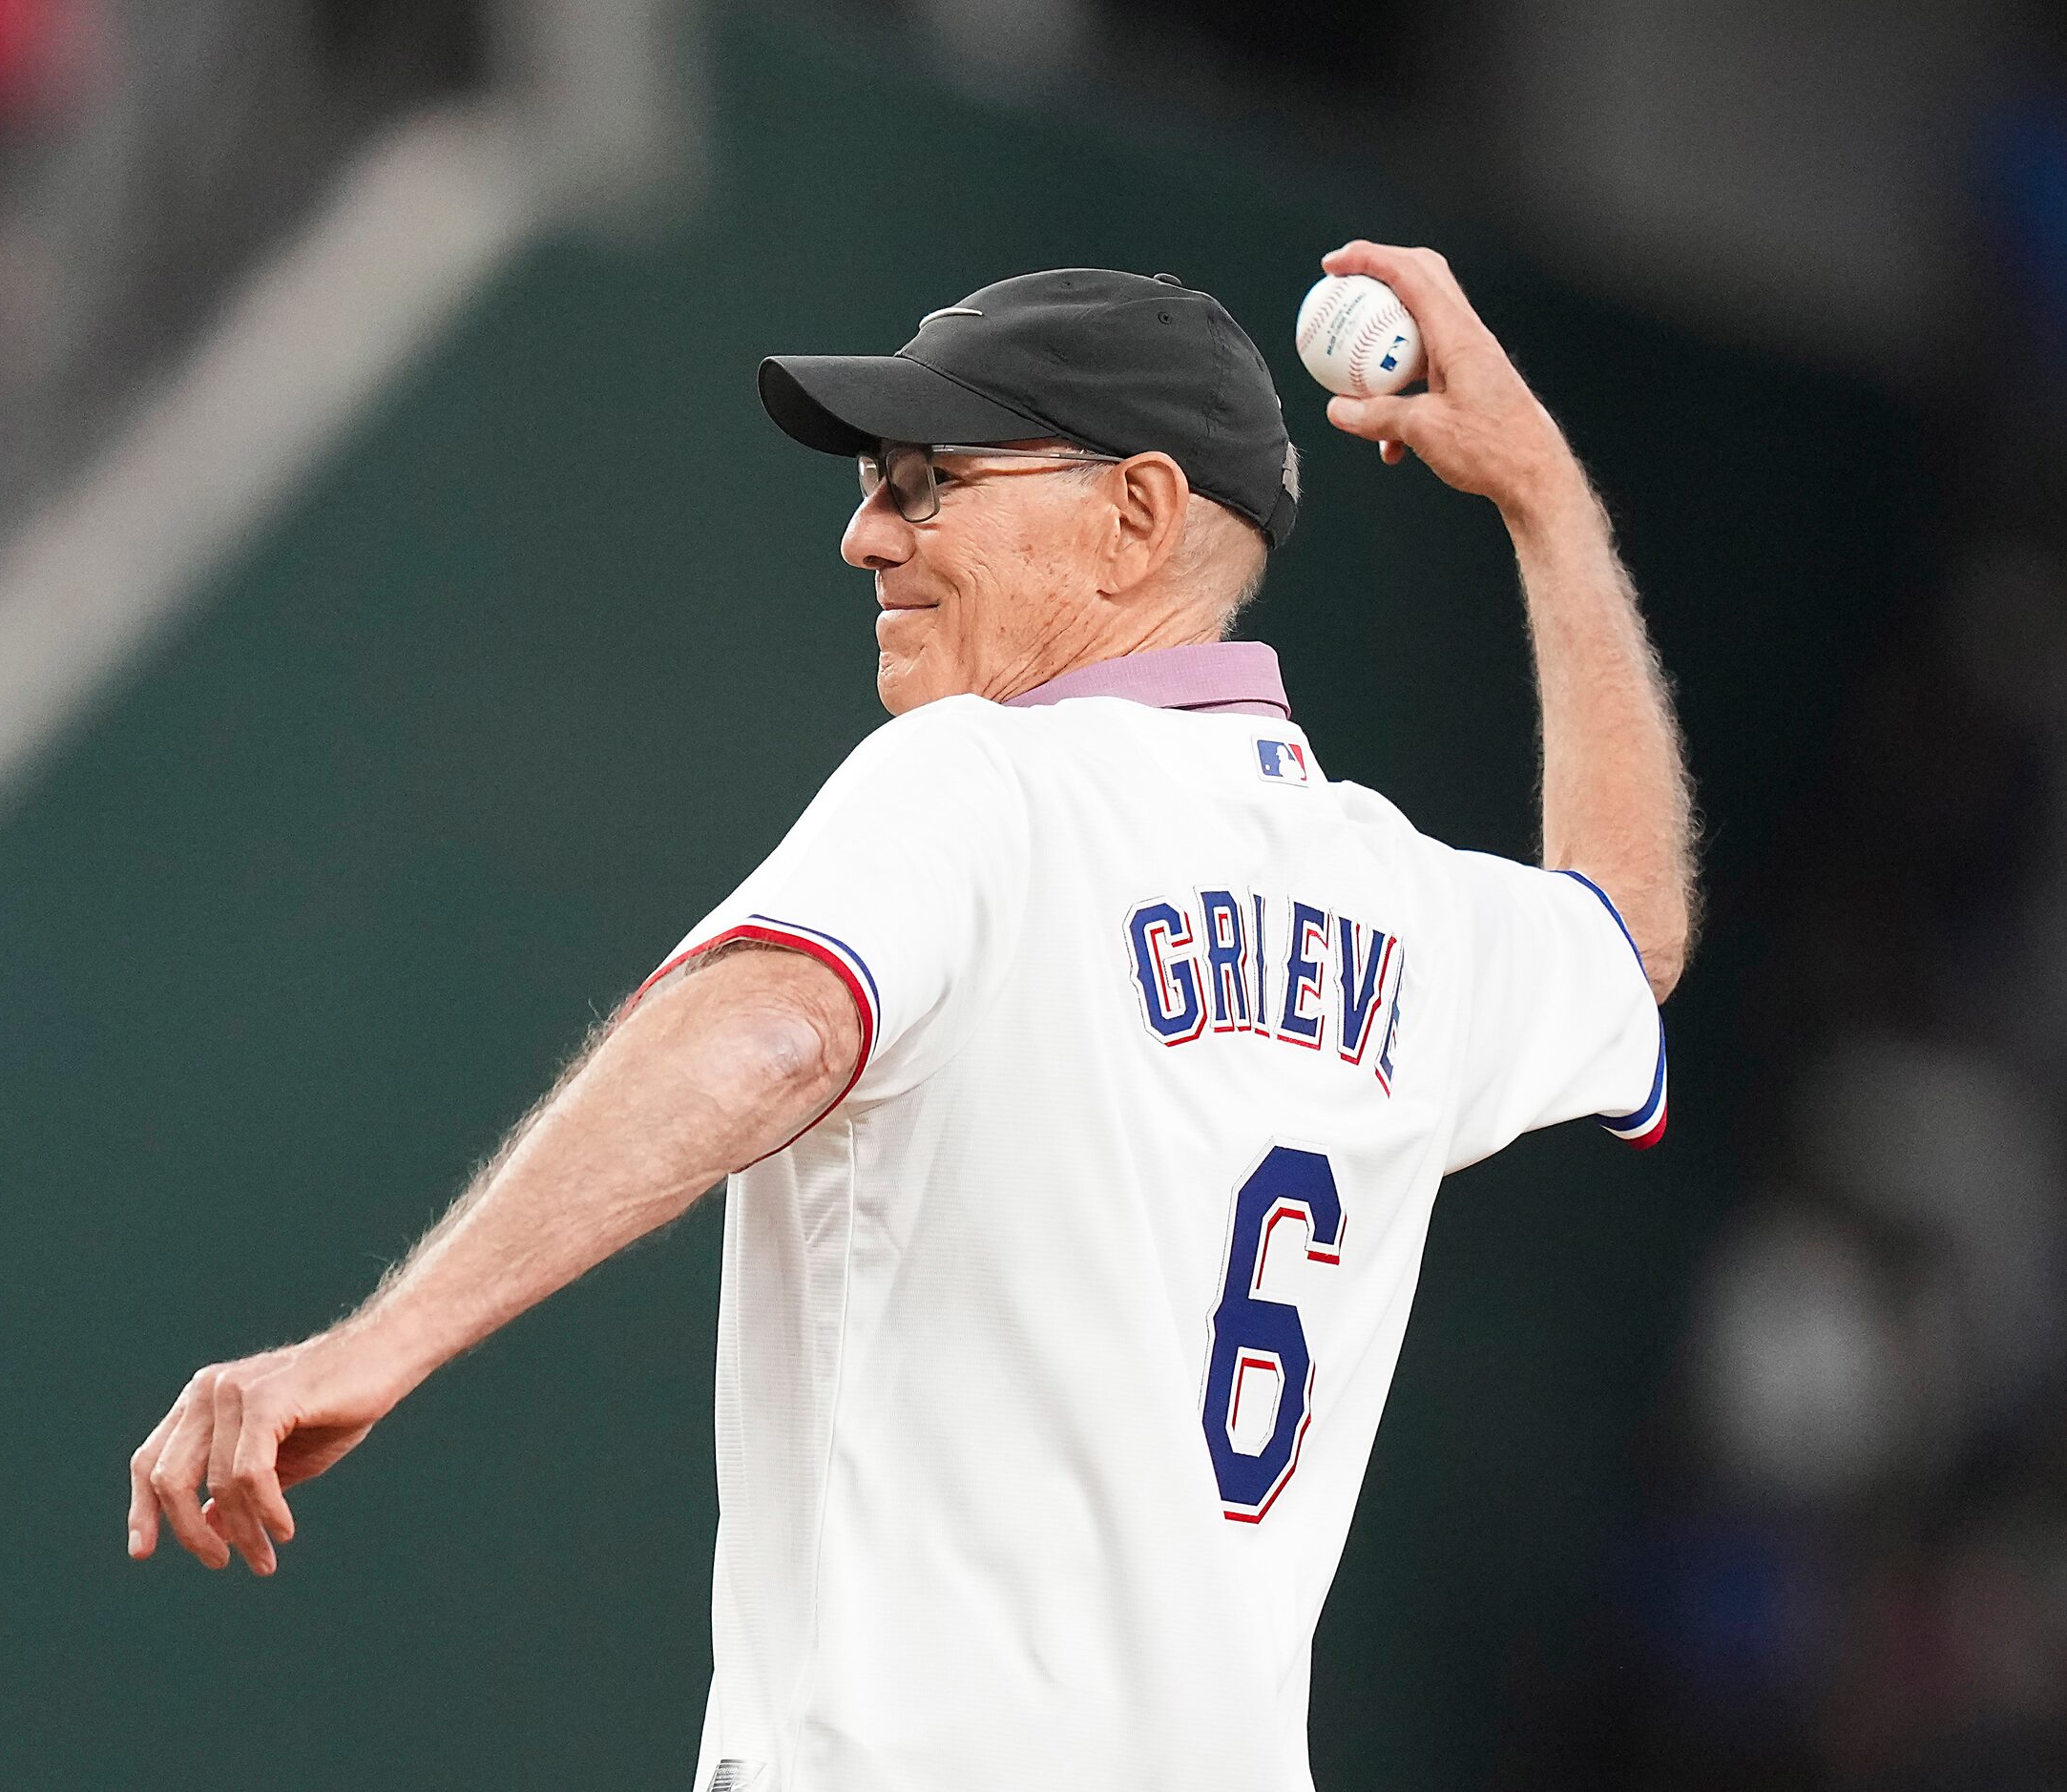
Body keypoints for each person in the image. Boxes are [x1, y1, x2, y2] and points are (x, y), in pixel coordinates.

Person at [126, 246, 1695, 1792]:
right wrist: (1544, 498)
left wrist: (379, 1342)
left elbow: (782, 1032)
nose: (864, 533)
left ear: (1133, 515)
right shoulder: (1400, 907)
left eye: (928, 477)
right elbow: (1627, 928)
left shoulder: (982, 780)